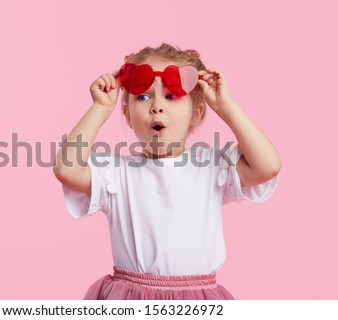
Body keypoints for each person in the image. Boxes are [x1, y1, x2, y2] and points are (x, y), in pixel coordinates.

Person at [53, 43, 281, 299]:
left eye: (171, 96)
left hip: (198, 300)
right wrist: (100, 108)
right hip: (130, 299)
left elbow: (268, 166)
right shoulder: (116, 172)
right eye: (143, 96)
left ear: (196, 112)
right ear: (127, 114)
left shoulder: (211, 166)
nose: (156, 106)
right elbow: (67, 169)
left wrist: (226, 107)